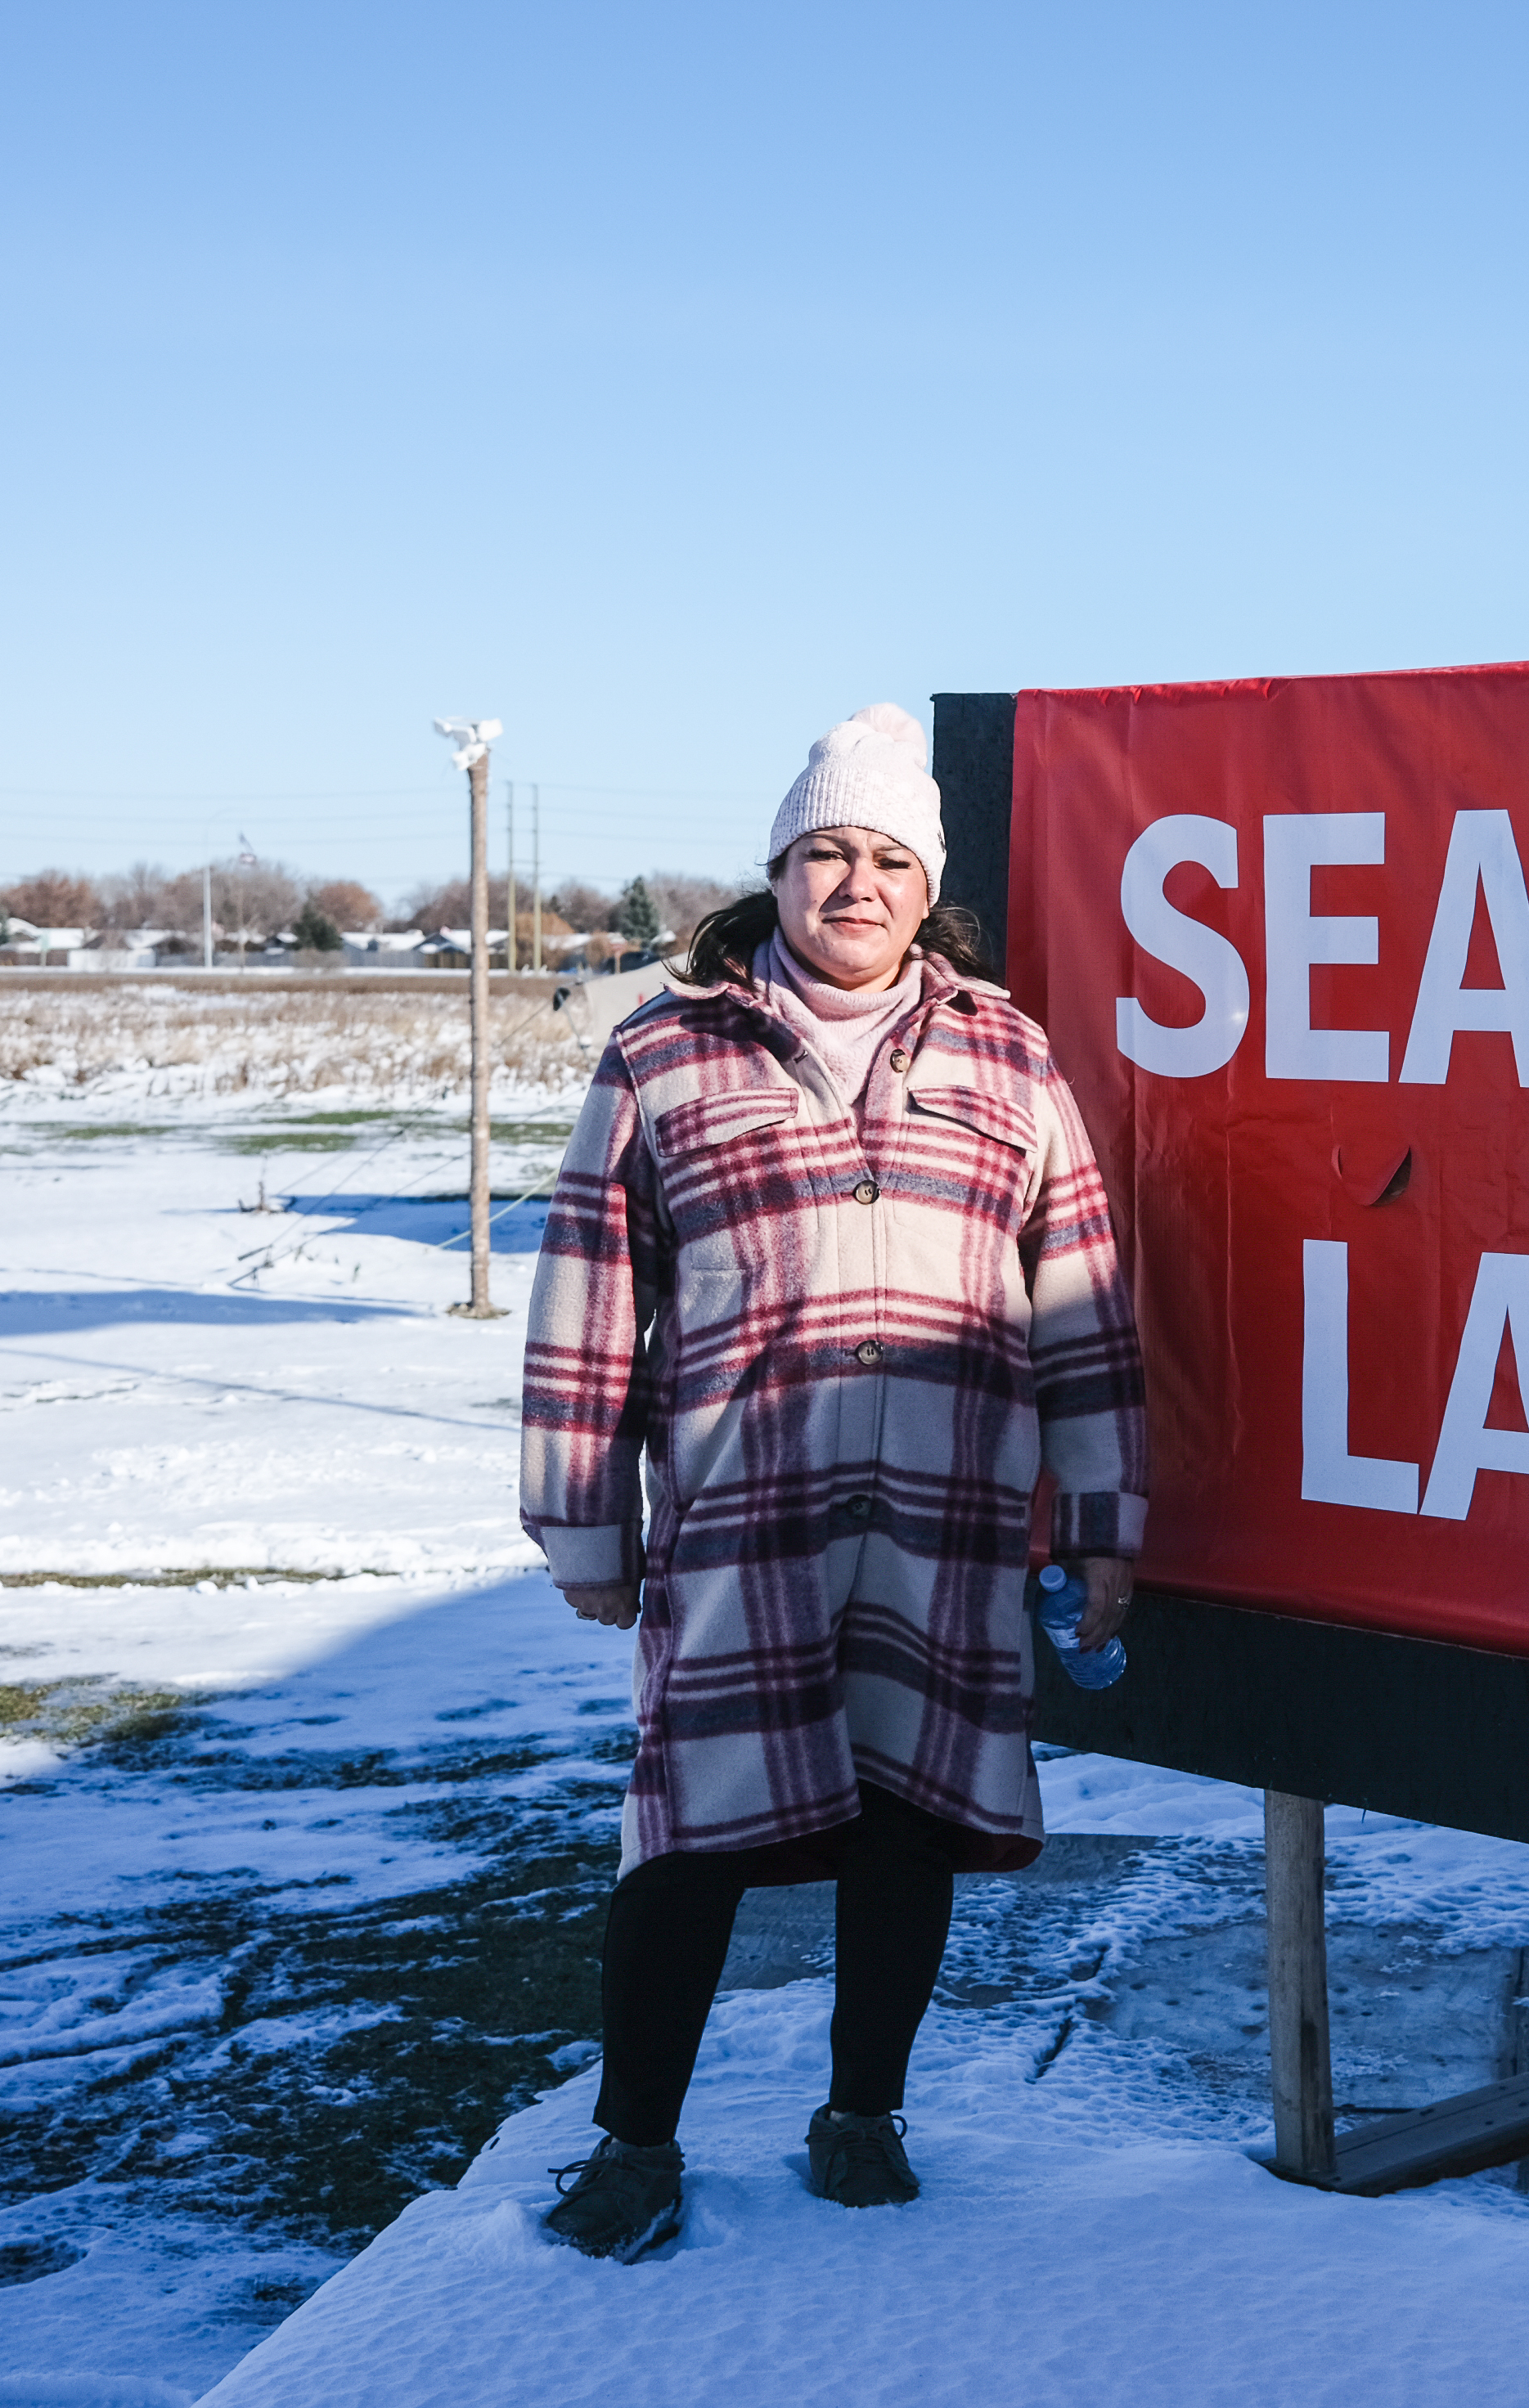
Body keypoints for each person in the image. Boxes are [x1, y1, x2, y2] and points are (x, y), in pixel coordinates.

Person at [517, 702, 1145, 2259]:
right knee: (689, 1833)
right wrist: (586, 1517)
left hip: (947, 1520)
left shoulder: (1007, 1055)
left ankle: (864, 2111)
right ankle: (635, 2145)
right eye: (823, 854)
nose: (852, 884)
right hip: (747, 1523)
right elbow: (589, 1294)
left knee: (906, 1821)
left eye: (884, 858)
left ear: (926, 888)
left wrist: (1108, 1514)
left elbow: (1082, 1290)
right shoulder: (668, 1055)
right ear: (776, 875)